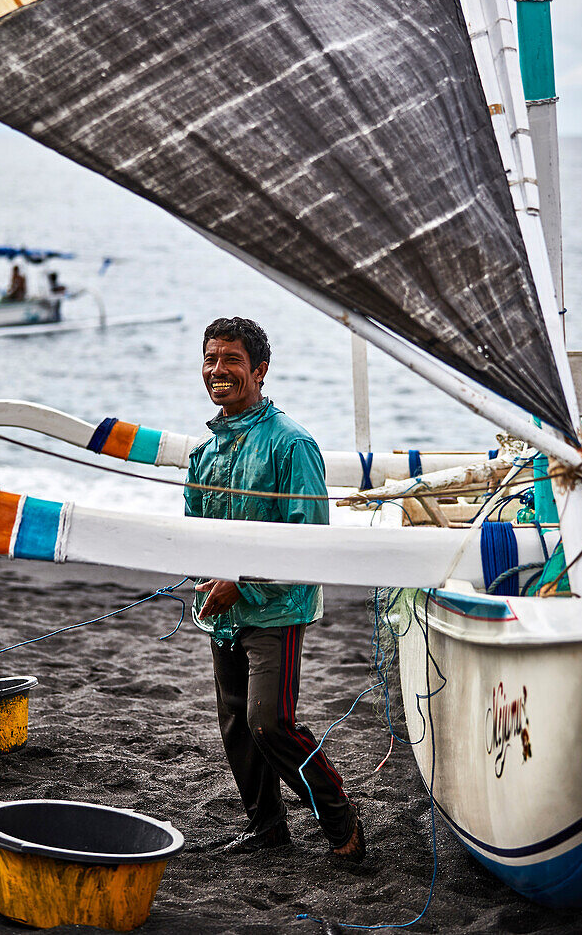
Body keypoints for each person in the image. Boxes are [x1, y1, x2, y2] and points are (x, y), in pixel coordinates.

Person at [184, 317, 365, 860]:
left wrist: (238, 584)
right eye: (211, 360)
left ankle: (342, 823)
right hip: (220, 613)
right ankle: (267, 832)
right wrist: (205, 578)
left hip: (276, 608)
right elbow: (196, 530)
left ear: (260, 371)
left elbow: (308, 541)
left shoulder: (293, 444)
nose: (219, 372)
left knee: (271, 723)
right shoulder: (203, 452)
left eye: (232, 361)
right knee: (237, 726)